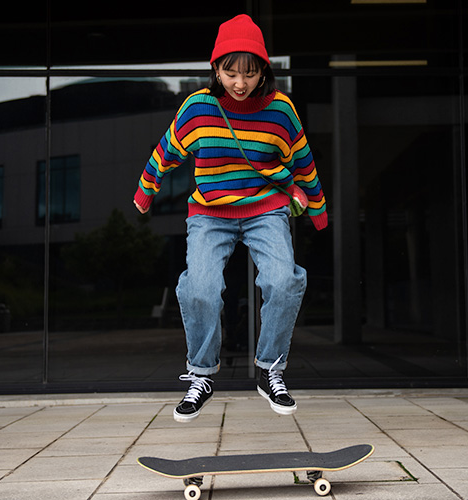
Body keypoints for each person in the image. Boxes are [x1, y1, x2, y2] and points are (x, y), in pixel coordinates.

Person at [133, 14, 327, 422]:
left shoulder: (280, 110)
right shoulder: (198, 108)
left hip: (264, 207)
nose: (240, 84)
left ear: (263, 73)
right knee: (200, 288)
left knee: (284, 279)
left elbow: (304, 161)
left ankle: (270, 368)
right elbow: (166, 151)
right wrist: (144, 192)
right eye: (230, 73)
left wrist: (319, 210)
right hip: (210, 212)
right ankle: (201, 374)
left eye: (250, 74)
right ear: (216, 70)